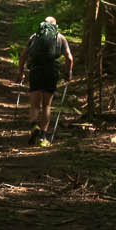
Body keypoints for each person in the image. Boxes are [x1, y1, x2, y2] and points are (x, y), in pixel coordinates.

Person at [18, 16, 73, 144]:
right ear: (55, 25)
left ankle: (33, 126)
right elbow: (69, 58)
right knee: (47, 105)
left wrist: (21, 73)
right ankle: (43, 136)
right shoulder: (60, 38)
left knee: (34, 105)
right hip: (51, 72)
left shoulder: (34, 37)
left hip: (36, 70)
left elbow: (23, 56)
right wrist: (68, 73)